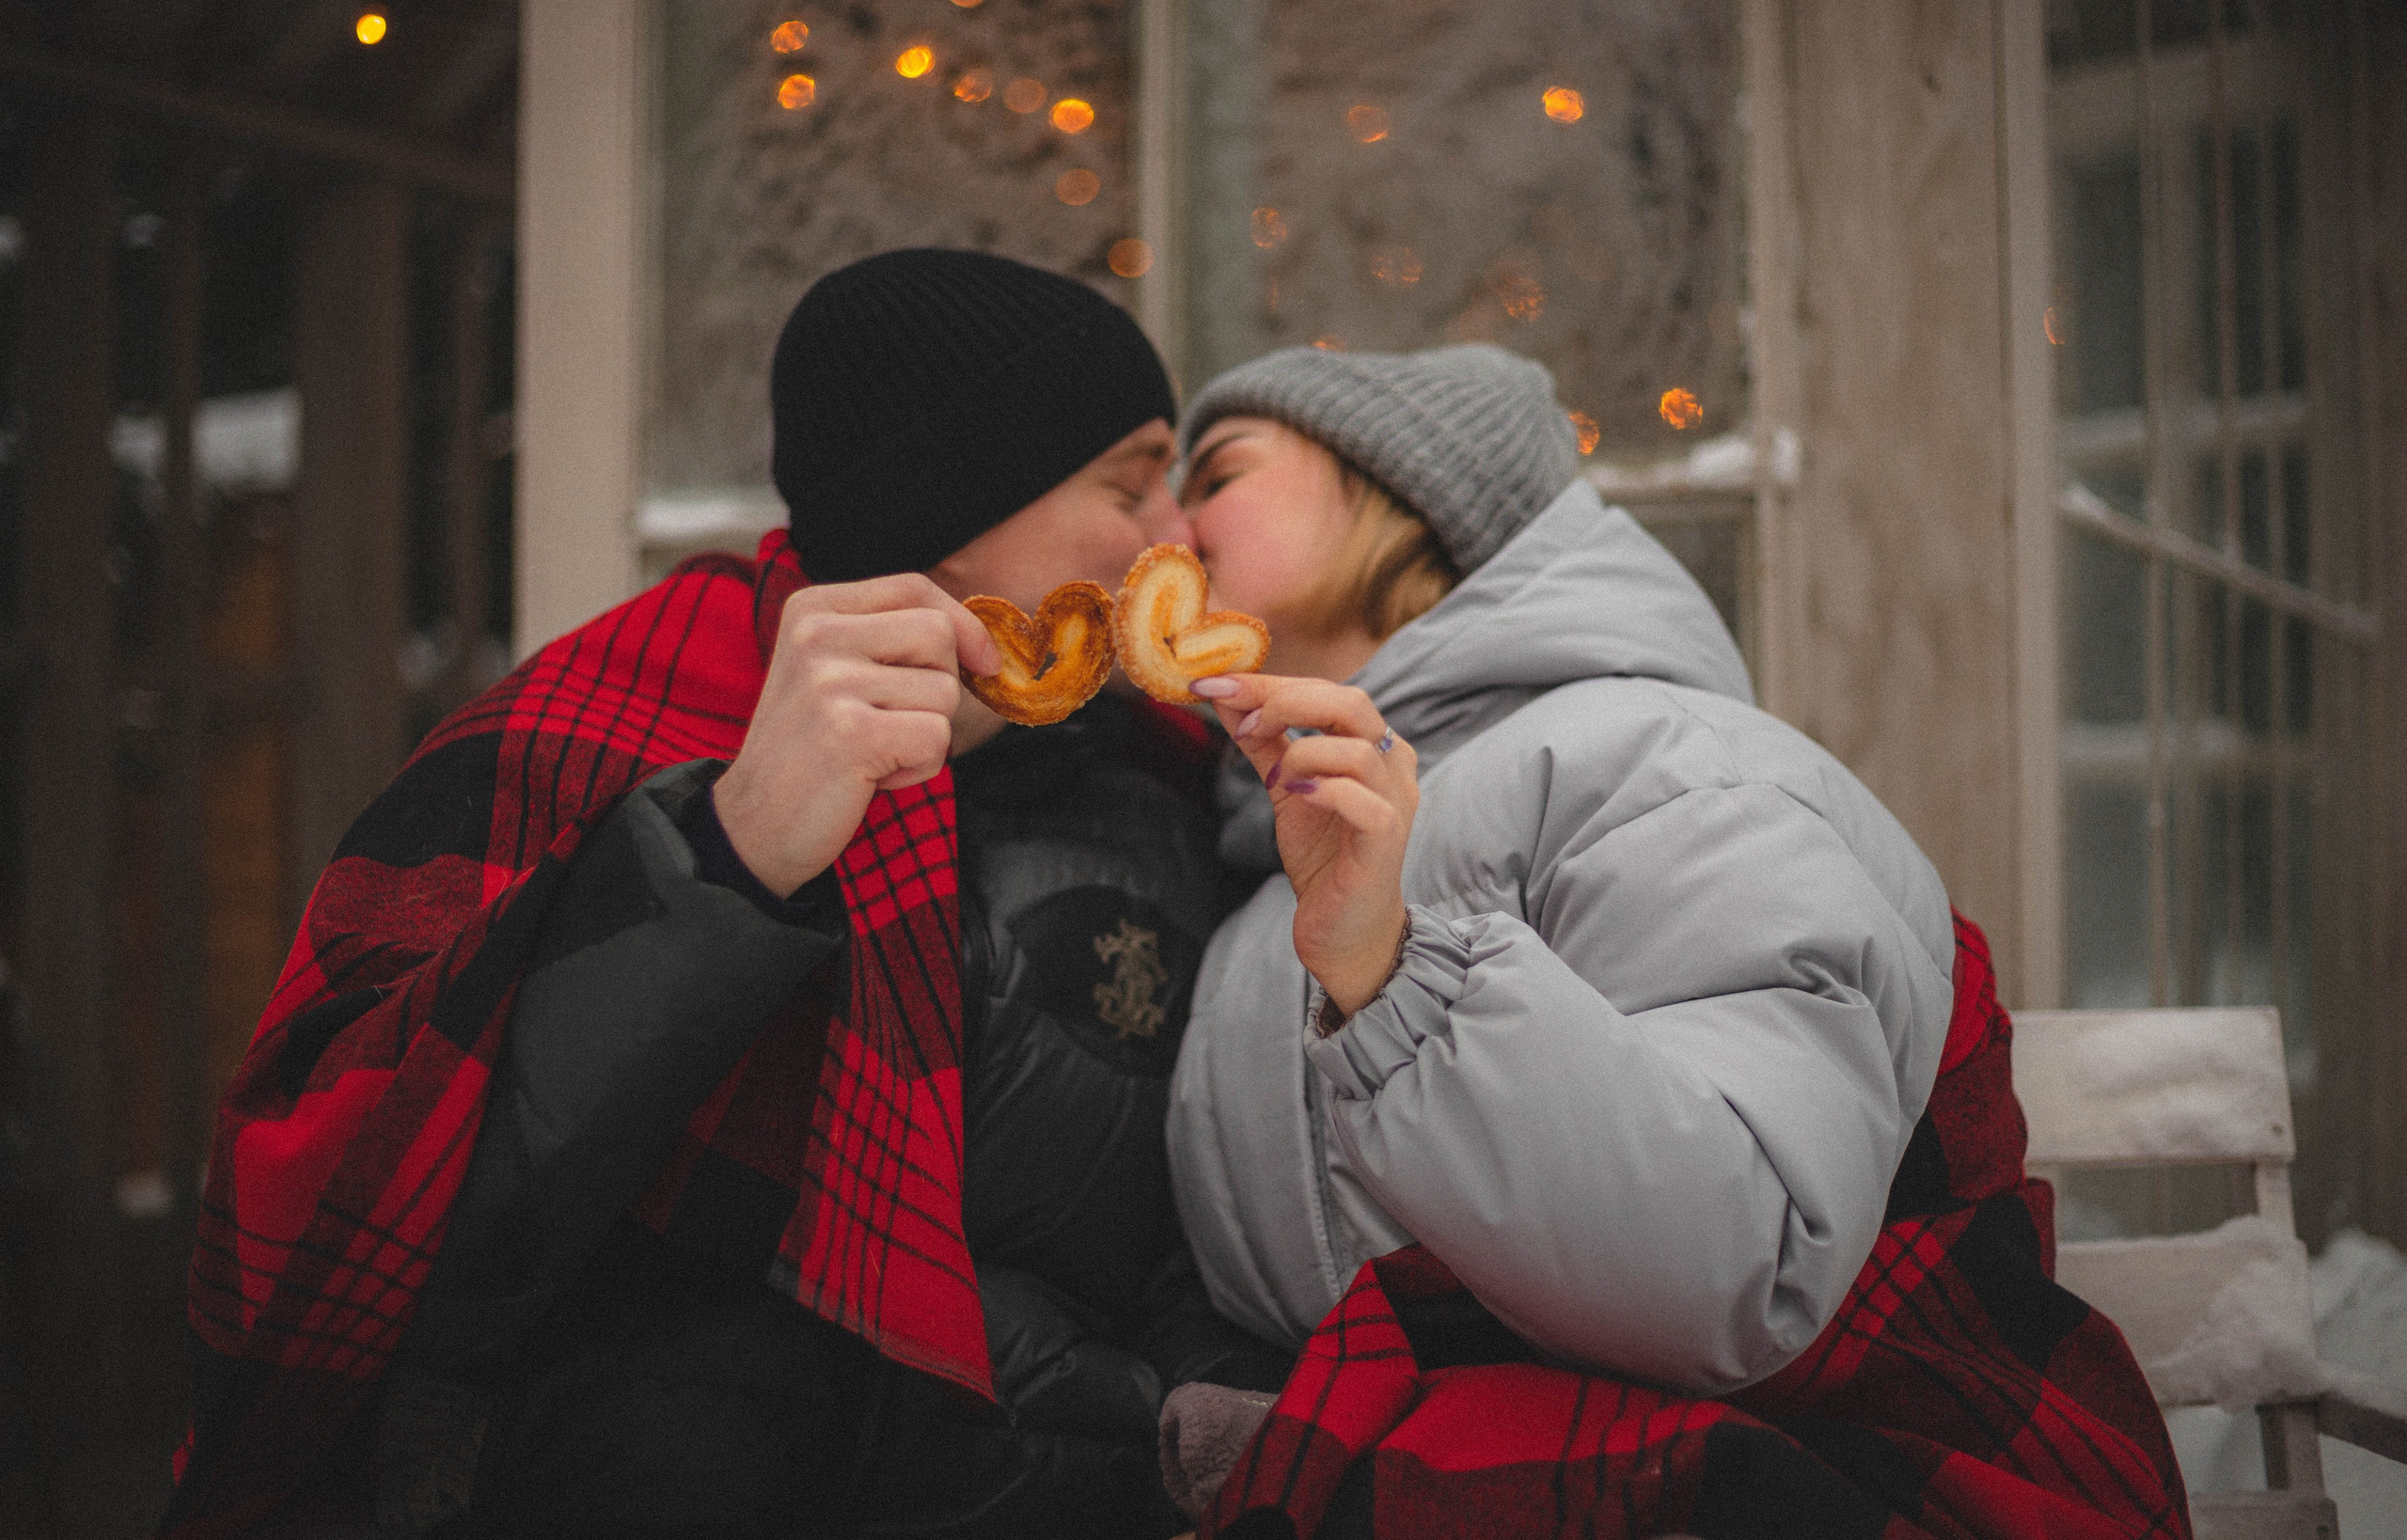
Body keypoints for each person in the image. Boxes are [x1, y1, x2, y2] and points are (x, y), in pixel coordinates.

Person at [165, 249, 1280, 1540]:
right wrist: (730, 857)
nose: (1179, 533)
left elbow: (1195, 1231)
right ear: (958, 497)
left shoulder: (1166, 781)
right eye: (1132, 477)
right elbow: (389, 1241)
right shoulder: (596, 737)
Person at [1158, 344, 2189, 1536]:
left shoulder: (1651, 761)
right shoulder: (1265, 874)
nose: (1170, 524)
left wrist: (1395, 980)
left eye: (1219, 471)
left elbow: (1745, 1259)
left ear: (1405, 497)